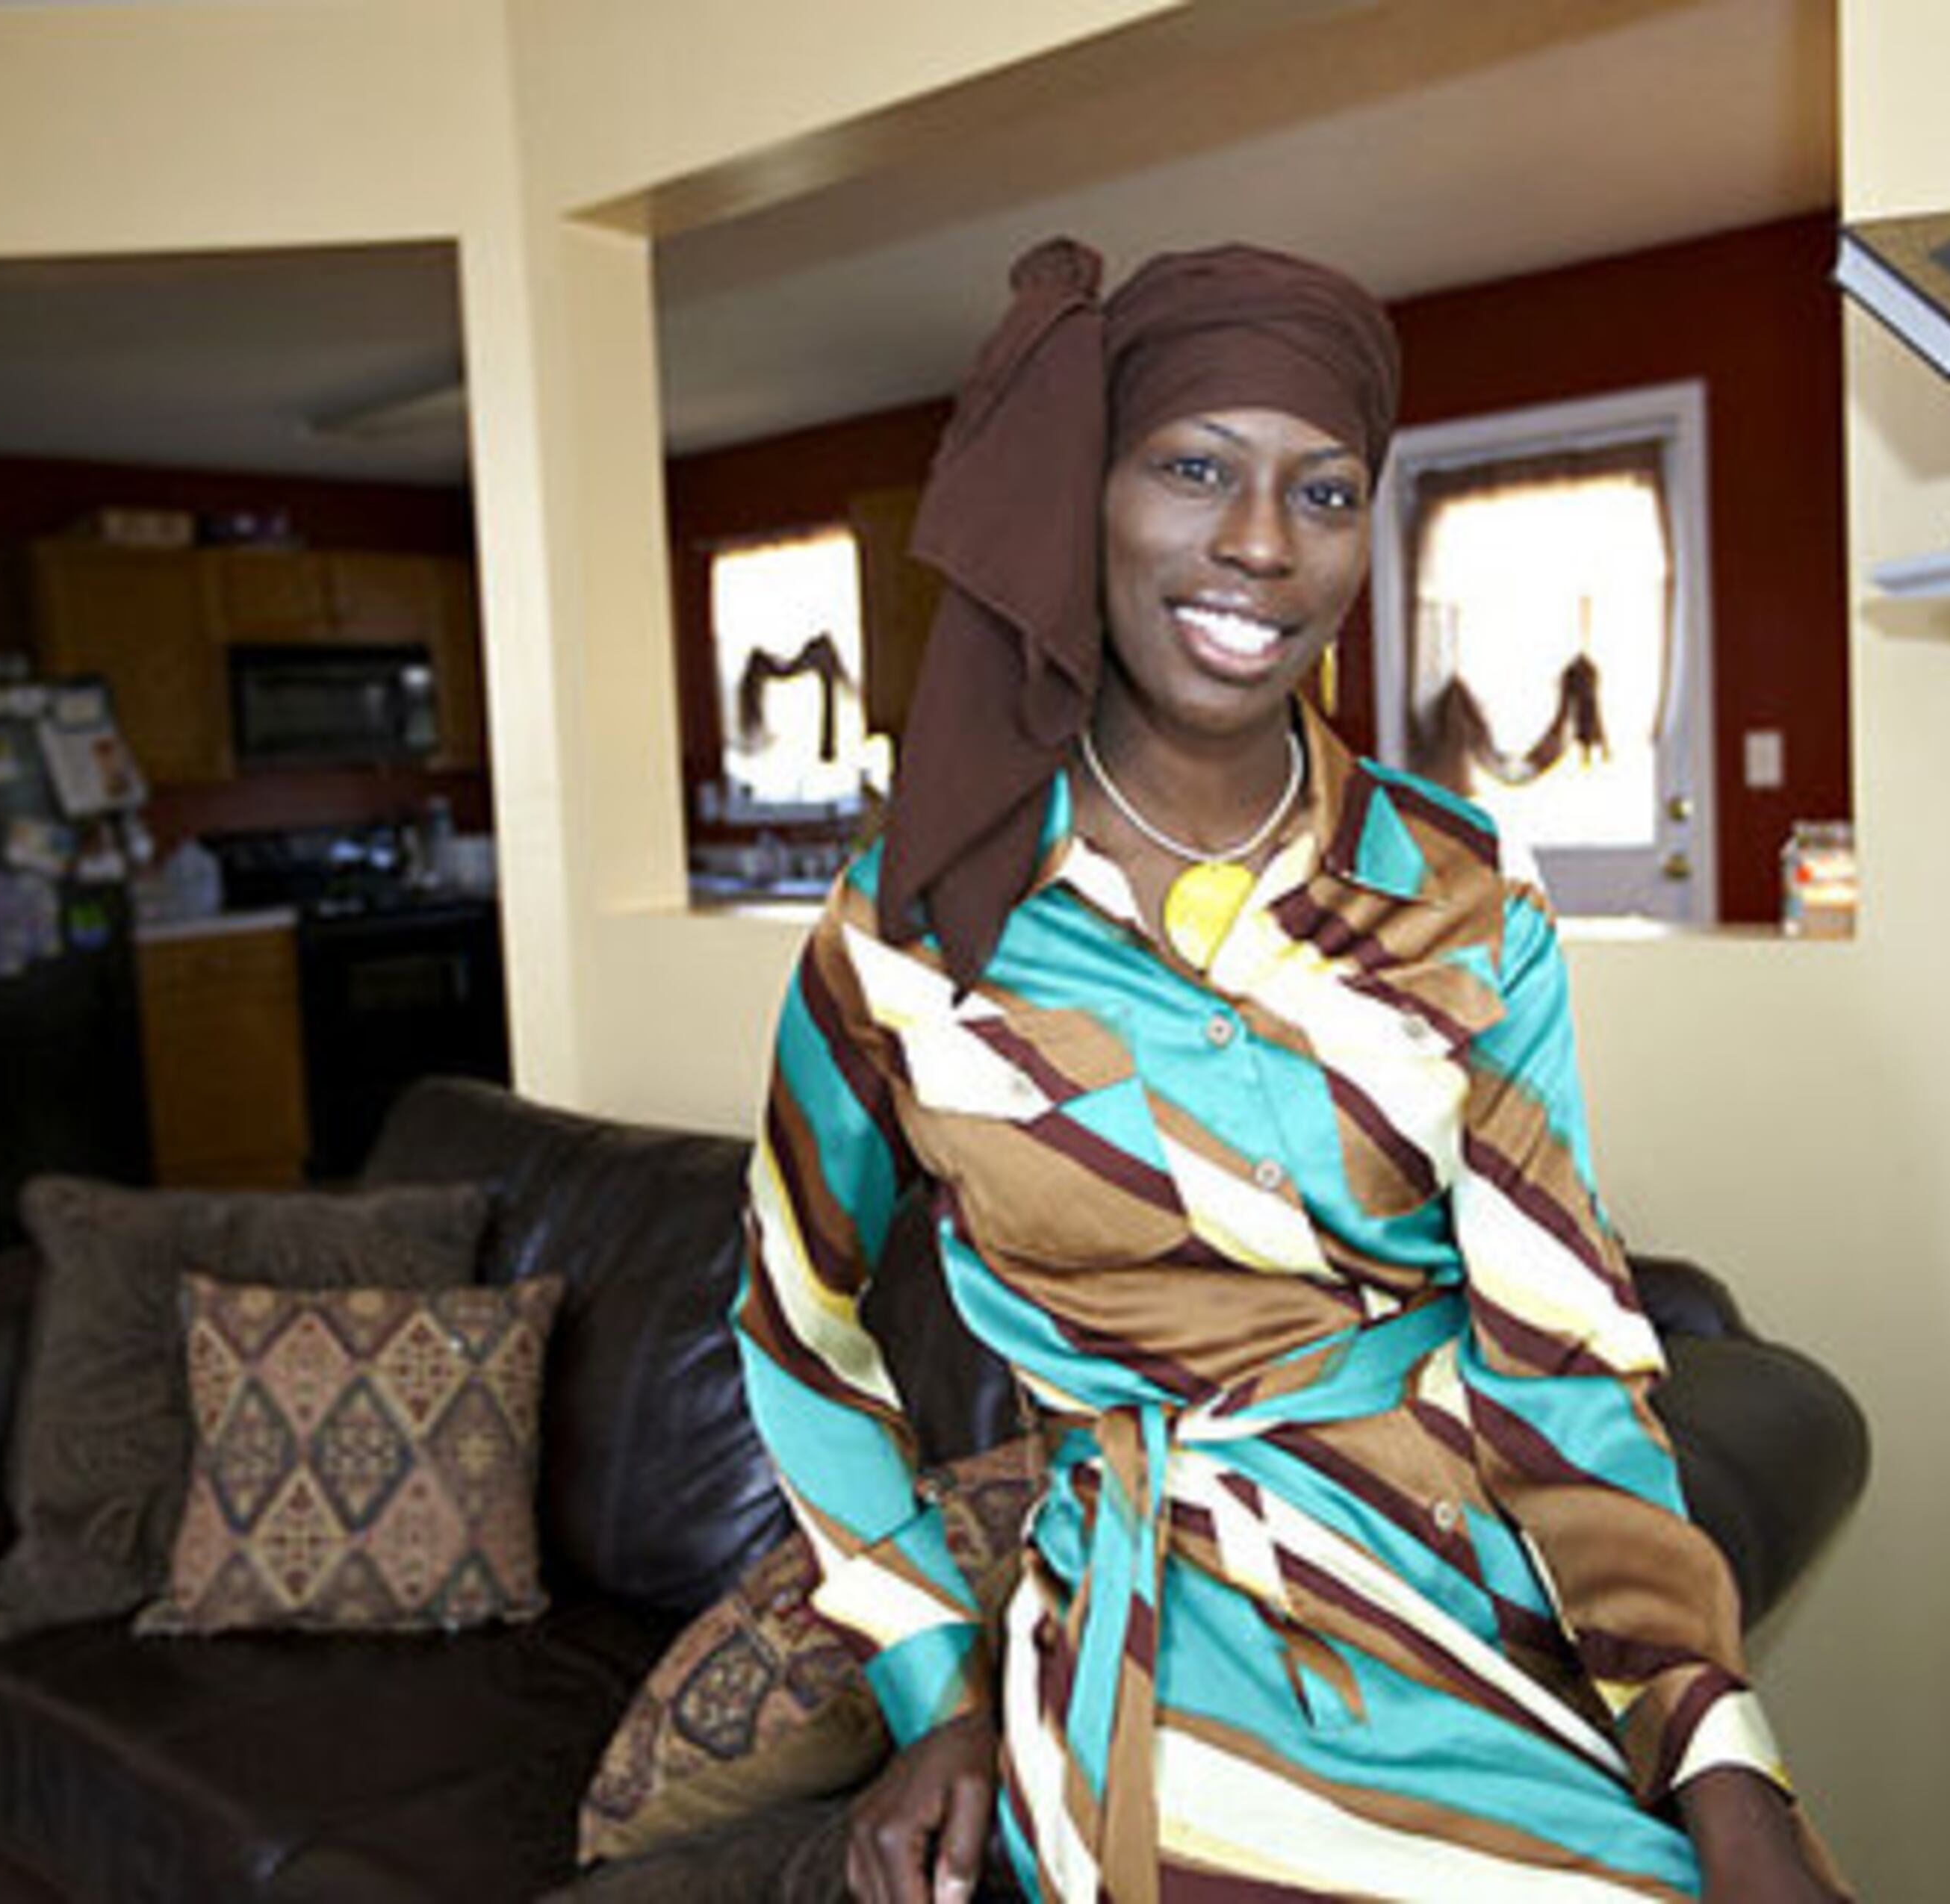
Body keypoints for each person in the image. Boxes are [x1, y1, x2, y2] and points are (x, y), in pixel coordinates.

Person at [732, 237, 1839, 1903]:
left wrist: (1723, 1765)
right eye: (1192, 470)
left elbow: (1566, 1363)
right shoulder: (912, 919)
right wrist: (932, 1691)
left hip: (1466, 1604)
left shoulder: (1467, 899)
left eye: (1324, 493)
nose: (1259, 543)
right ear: (1084, 498)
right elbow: (795, 1332)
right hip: (1139, 1644)